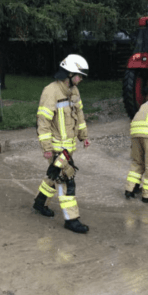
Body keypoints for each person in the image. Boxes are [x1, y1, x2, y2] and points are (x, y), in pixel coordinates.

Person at [33, 54, 91, 234]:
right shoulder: (50, 91)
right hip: (57, 148)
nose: (81, 79)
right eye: (79, 75)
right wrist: (47, 148)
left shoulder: (74, 91)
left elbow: (79, 114)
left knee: (53, 175)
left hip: (69, 146)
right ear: (69, 74)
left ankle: (40, 202)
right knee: (66, 180)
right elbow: (43, 122)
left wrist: (83, 136)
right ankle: (71, 220)